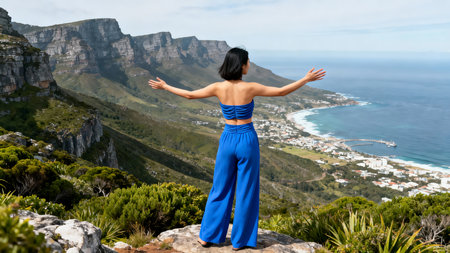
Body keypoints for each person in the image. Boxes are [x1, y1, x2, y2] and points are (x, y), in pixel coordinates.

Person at [148, 47, 326, 250]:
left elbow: (189, 95)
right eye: (248, 61)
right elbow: (281, 92)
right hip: (247, 139)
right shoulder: (249, 88)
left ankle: (207, 237)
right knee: (246, 190)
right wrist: (305, 79)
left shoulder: (218, 87)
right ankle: (240, 241)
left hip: (227, 139)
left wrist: (165, 87)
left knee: (220, 188)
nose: (249, 64)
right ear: (242, 65)